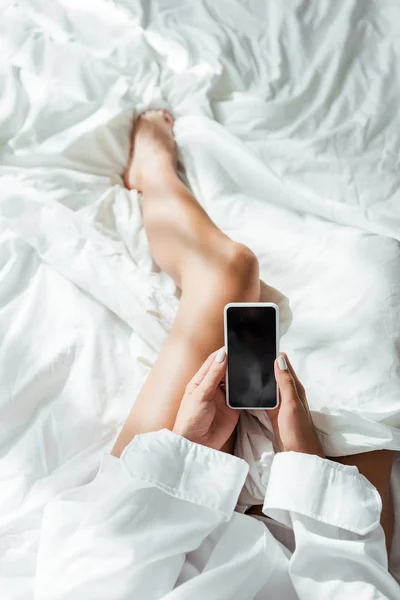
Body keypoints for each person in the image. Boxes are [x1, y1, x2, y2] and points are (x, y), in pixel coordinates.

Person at [33, 111, 399, 599]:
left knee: (231, 270)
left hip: (155, 528)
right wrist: (307, 461)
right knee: (372, 368)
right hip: (310, 567)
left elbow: (91, 574)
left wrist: (186, 450)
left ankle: (153, 174)